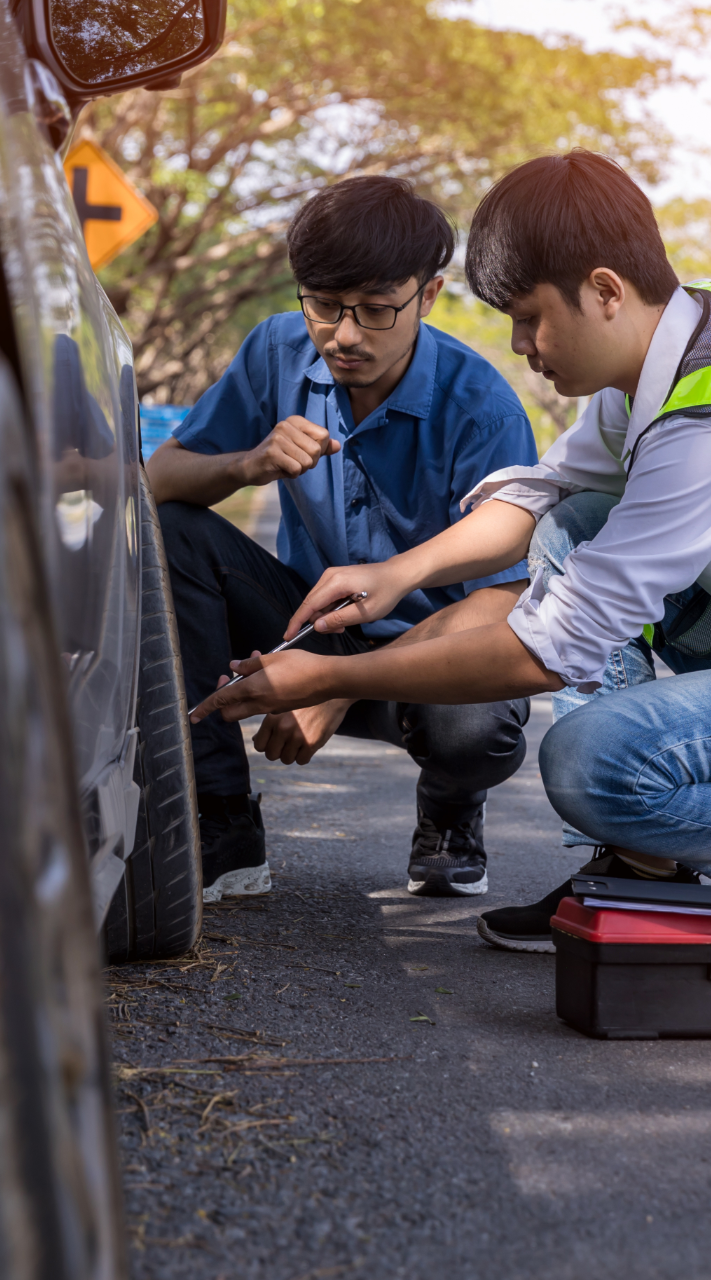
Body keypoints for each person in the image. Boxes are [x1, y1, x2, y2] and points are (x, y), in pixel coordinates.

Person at [188, 151, 711, 951]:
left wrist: (329, 675)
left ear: (605, 292)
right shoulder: (685, 333)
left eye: (529, 317)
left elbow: (552, 651)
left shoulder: (710, 426)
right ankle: (639, 867)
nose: (519, 344)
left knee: (590, 762)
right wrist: (400, 573)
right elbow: (540, 495)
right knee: (574, 521)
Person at [148, 175, 541, 902]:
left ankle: (452, 809)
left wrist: (336, 685)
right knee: (172, 535)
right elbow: (159, 478)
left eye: (375, 310)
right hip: (309, 625)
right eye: (324, 306)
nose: (345, 335)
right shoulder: (277, 349)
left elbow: (512, 596)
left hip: (434, 658)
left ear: (428, 296)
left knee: (476, 730)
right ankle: (221, 819)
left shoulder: (481, 406)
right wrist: (248, 462)